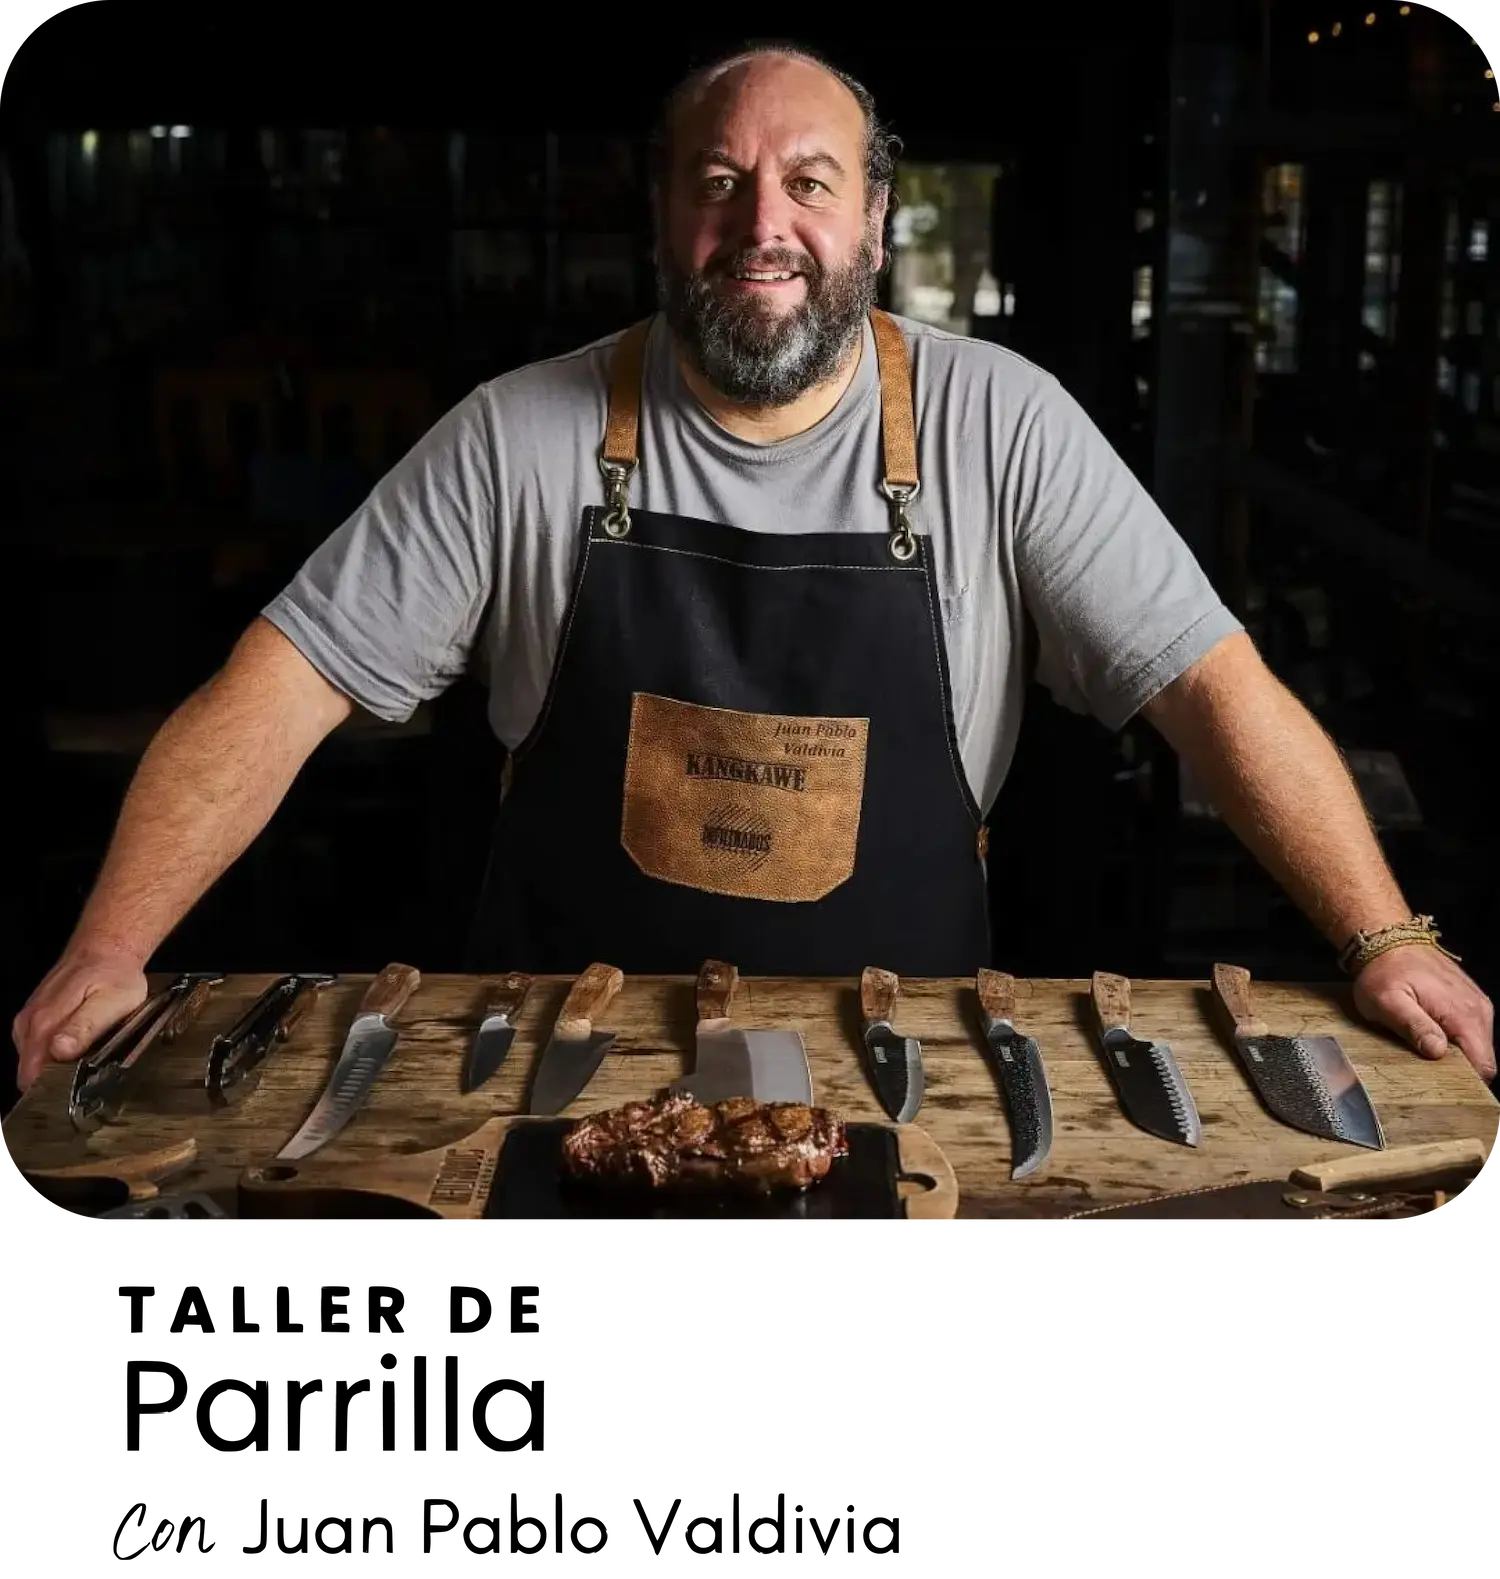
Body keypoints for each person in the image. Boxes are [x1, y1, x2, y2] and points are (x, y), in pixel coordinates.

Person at [12, 41, 1494, 1090]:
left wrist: (1384, 935)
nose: (760, 224)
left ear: (872, 215)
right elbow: (277, 688)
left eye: (807, 180)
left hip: (904, 1055)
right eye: (718, 183)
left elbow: (1211, 691)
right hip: (555, 1053)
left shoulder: (1001, 423)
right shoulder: (517, 435)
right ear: (665, 215)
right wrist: (106, 946)